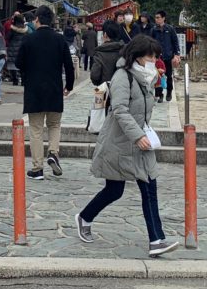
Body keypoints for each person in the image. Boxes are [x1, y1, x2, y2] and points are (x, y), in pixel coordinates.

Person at [75, 33, 179, 257]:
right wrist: (136, 135)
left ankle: (156, 240)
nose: (154, 60)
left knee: (149, 188)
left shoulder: (144, 75)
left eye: (155, 56)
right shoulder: (123, 76)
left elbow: (142, 106)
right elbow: (119, 109)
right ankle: (85, 217)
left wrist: (156, 76)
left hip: (141, 143)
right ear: (138, 56)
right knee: (114, 190)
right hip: (120, 142)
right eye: (150, 56)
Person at [19, 6, 75, 180]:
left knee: (36, 129)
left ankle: (37, 168)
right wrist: (69, 85)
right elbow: (68, 65)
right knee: (54, 125)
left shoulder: (28, 40)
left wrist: (26, 76)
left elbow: (19, 63)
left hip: (34, 90)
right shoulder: (60, 40)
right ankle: (53, 152)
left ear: (37, 19)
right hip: (54, 89)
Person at [150, 10, 181, 103]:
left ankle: (169, 92)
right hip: (157, 57)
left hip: (168, 56)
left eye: (158, 17)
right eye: (155, 18)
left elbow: (175, 42)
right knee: (157, 76)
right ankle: (159, 95)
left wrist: (177, 54)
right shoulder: (153, 30)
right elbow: (150, 42)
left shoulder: (170, 29)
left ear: (163, 18)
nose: (156, 19)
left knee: (168, 75)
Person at [90, 19, 126, 87]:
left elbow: (95, 76)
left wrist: (98, 83)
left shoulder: (100, 53)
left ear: (105, 34)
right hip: (123, 88)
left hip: (105, 89)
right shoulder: (125, 50)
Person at [5, 13, 28, 86]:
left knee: (12, 65)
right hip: (22, 48)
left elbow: (8, 37)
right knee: (22, 65)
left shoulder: (12, 29)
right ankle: (23, 81)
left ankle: (15, 80)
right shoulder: (26, 29)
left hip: (13, 48)